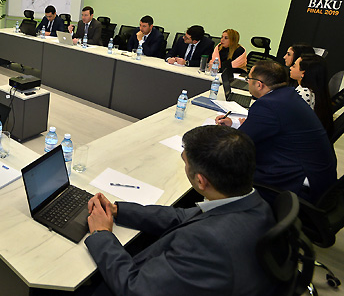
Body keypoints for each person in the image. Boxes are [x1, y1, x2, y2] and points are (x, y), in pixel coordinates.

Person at [84, 125, 276, 296]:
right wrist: (118, 210)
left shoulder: (206, 243)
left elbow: (134, 289)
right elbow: (182, 216)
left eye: (185, 162)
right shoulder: (252, 202)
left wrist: (102, 233)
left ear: (200, 181)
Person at [216, 60, 337, 203]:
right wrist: (236, 124)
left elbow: (239, 142)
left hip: (300, 186)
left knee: (224, 166)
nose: (247, 82)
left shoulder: (268, 105)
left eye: (248, 78)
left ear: (259, 85)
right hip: (319, 177)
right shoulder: (288, 95)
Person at [290, 54, 334, 137]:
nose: (290, 68)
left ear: (303, 73)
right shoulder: (314, 91)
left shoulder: (305, 93)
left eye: (294, 66)